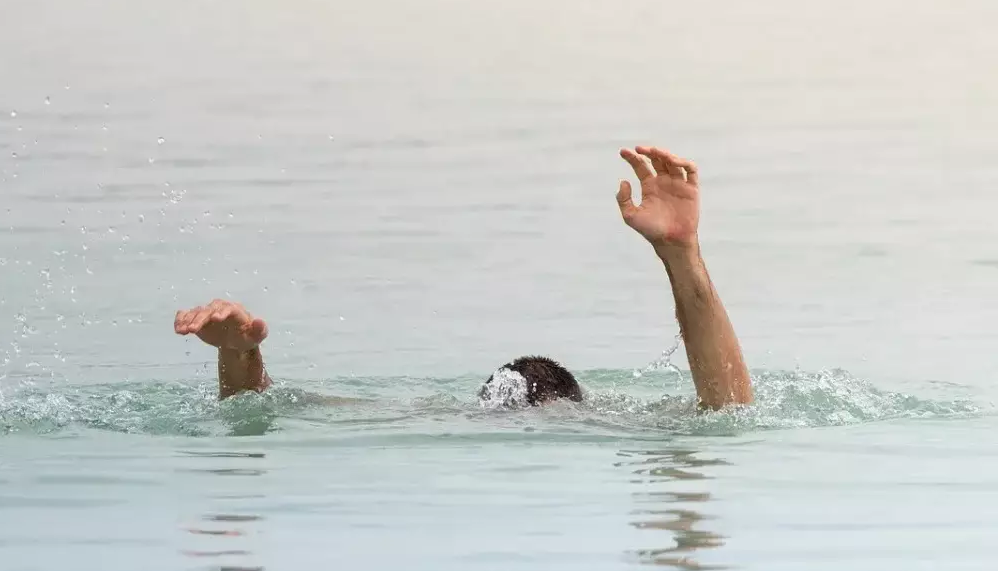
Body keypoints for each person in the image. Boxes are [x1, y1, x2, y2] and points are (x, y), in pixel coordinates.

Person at [173, 147, 754, 410]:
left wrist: (239, 360)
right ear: (573, 408)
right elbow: (730, 407)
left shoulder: (428, 414)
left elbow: (266, 410)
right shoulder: (607, 426)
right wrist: (684, 258)